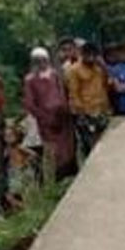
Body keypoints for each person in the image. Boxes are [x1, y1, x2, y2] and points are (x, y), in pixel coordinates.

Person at [22, 46, 76, 182]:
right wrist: (43, 116)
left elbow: (62, 93)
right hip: (46, 120)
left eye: (43, 60)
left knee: (68, 146)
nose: (41, 63)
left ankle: (71, 174)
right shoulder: (30, 80)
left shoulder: (55, 75)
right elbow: (29, 103)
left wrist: (65, 109)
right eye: (37, 61)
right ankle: (58, 178)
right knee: (54, 149)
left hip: (63, 116)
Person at [66, 42, 112, 159]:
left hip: (101, 109)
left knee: (105, 142)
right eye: (88, 55)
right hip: (86, 112)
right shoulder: (74, 70)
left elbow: (106, 84)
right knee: (90, 145)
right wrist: (82, 114)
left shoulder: (98, 68)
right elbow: (74, 93)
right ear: (83, 54)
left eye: (94, 55)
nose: (91, 58)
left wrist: (104, 67)